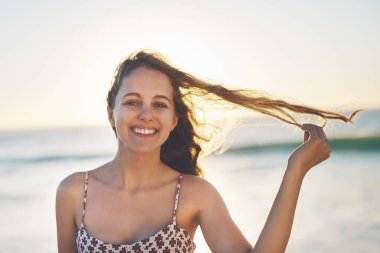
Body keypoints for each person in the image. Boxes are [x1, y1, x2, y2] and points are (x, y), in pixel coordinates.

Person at [55, 50, 361, 253]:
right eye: (132, 101)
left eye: (159, 104)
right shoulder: (73, 192)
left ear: (173, 120)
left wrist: (295, 172)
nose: (146, 114)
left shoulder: (194, 195)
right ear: (112, 113)